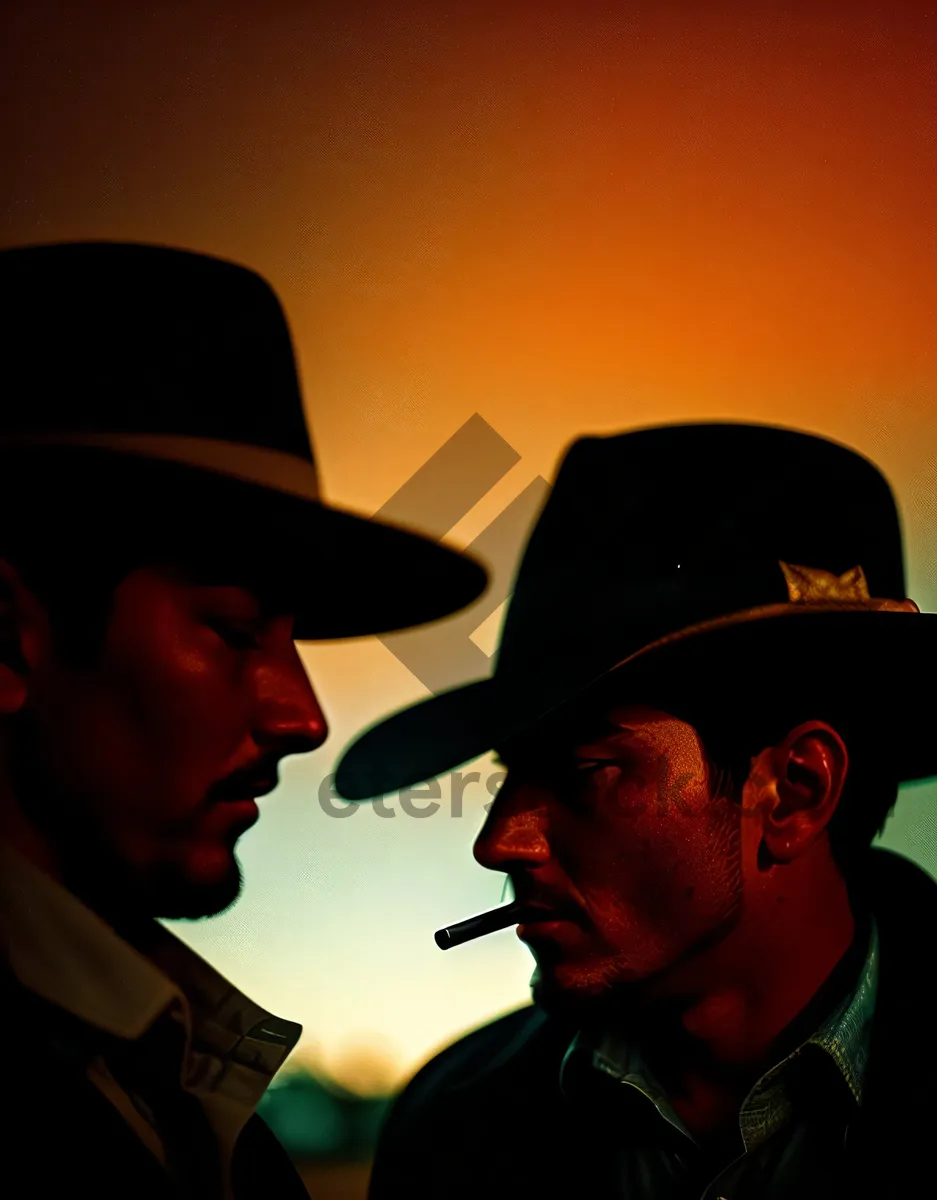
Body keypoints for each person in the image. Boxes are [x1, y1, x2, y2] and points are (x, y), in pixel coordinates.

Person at [336, 422, 937, 1198]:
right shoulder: (453, 1134)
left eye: (588, 771)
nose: (500, 841)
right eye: (508, 774)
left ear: (795, 792)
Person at [0, 241, 486, 1198]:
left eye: (295, 640)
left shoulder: (199, 1116)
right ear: (11, 638)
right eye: (231, 632)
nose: (304, 719)